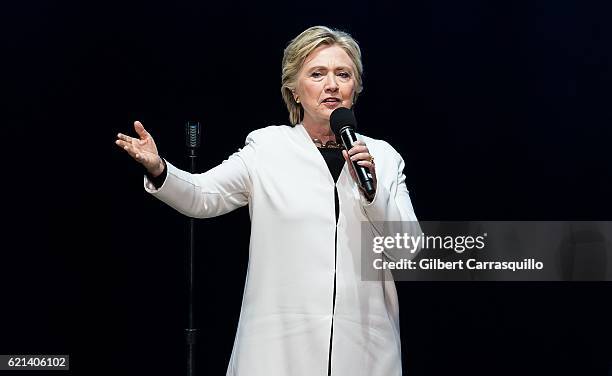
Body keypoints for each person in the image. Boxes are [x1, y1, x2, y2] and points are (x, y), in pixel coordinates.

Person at [115, 26, 418, 376]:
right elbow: (203, 196)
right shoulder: (268, 149)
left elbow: (408, 250)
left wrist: (373, 192)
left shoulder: (382, 157)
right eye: (317, 74)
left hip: (364, 352)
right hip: (277, 350)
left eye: (343, 74)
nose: (331, 84)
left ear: (357, 87)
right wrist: (160, 169)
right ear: (294, 89)